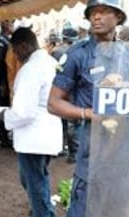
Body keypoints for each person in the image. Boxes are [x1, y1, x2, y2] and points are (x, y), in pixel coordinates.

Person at [47, 1, 126, 217]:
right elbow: (53, 103)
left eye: (103, 12)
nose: (96, 17)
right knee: (84, 208)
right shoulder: (77, 55)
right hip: (91, 144)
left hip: (121, 147)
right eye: (92, 13)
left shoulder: (126, 53)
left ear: (118, 17)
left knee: (111, 208)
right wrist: (88, 113)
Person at [2, 27, 62, 217]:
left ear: (24, 46)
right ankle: (46, 214)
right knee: (35, 178)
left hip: (33, 136)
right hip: (47, 132)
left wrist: (5, 116)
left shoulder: (31, 69)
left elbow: (22, 112)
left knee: (35, 182)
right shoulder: (49, 62)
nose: (15, 55)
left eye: (15, 50)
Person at [51, 22, 80, 163]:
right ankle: (73, 153)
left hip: (57, 88)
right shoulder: (74, 51)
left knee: (60, 121)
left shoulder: (55, 50)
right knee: (72, 123)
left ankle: (60, 147)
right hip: (70, 90)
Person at [0, 20, 14, 148]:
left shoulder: (6, 39)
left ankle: (4, 134)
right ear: (6, 24)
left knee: (5, 106)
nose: (13, 26)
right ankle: (2, 137)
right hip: (1, 80)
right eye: (12, 23)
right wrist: (2, 84)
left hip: (5, 80)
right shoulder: (0, 41)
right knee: (1, 107)